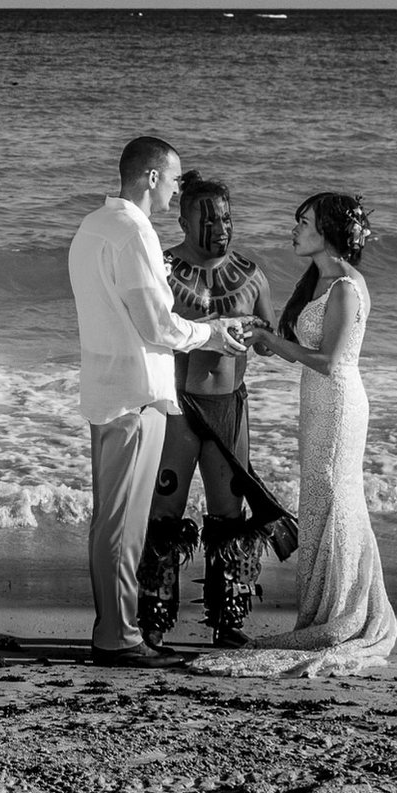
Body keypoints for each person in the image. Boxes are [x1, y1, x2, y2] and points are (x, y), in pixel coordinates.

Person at [197, 193, 397, 677]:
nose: (294, 230)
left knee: (334, 497)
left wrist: (274, 341)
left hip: (339, 403)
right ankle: (324, 608)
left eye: (303, 223)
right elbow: (299, 350)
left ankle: (343, 613)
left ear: (326, 231)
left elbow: (329, 362)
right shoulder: (320, 281)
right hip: (316, 402)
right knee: (319, 499)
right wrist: (263, 338)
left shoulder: (346, 287)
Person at [66, 136, 247, 667]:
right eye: (172, 178)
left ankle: (111, 629)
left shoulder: (93, 226)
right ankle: (118, 637)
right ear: (149, 177)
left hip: (105, 387)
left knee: (110, 519)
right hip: (136, 392)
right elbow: (157, 325)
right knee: (125, 522)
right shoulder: (134, 234)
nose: (175, 189)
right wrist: (211, 333)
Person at [139, 171, 275, 651]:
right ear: (182, 217)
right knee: (164, 512)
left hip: (229, 408)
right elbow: (145, 327)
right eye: (208, 217)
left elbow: (271, 343)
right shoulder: (162, 268)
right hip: (177, 407)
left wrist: (262, 333)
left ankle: (228, 620)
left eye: (226, 216)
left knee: (229, 514)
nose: (220, 226)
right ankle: (152, 620)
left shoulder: (252, 275)